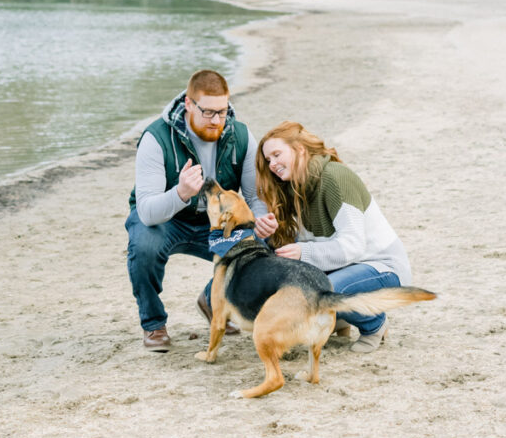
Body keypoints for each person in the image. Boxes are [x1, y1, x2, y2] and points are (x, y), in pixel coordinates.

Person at [125, 69, 271, 351]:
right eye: (208, 112)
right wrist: (180, 193)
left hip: (217, 223)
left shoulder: (240, 135)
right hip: (167, 220)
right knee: (144, 245)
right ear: (189, 104)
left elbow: (255, 197)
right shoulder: (156, 138)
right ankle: (154, 324)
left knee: (267, 242)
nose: (217, 120)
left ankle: (211, 299)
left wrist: (261, 220)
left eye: (223, 111)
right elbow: (146, 211)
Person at [255, 121, 413, 354]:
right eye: (268, 160)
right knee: (277, 272)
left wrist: (303, 253)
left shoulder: (335, 178)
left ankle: (374, 324)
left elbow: (353, 247)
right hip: (345, 265)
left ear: (300, 149)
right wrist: (268, 231)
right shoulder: (294, 187)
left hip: (382, 267)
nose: (273, 164)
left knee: (322, 289)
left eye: (277, 154)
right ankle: (338, 317)